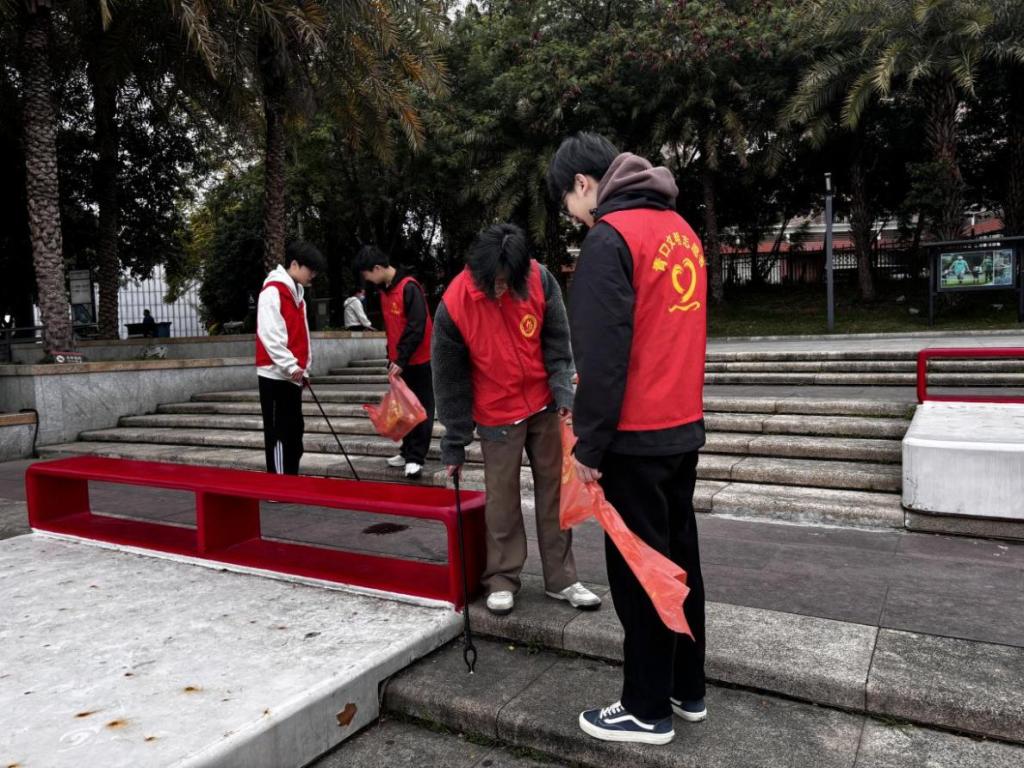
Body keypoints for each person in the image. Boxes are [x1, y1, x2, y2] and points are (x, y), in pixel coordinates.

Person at [547, 132, 708, 745]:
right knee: (679, 562)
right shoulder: (681, 232)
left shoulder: (610, 238)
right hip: (680, 427)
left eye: (569, 202)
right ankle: (686, 688)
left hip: (634, 437)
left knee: (641, 572)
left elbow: (602, 354)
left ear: (583, 183)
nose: (574, 215)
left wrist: (589, 446)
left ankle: (646, 707)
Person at [432, 223, 602, 617]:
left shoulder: (540, 280)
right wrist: (454, 442)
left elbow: (558, 342)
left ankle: (561, 579)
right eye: (494, 281)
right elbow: (450, 380)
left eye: (508, 281)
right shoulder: (455, 303)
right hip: (496, 414)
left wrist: (563, 392)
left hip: (544, 405)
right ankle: (503, 579)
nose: (501, 288)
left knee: (555, 496)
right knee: (502, 501)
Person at [353, 245, 435, 477]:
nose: (368, 281)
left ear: (378, 268)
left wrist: (402, 358)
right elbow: (393, 328)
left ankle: (416, 458)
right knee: (403, 408)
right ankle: (407, 451)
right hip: (399, 362)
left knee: (420, 408)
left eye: (368, 275)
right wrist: (391, 357)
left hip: (419, 360)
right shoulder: (385, 291)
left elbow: (416, 326)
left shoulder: (409, 287)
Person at [256, 240, 325, 475]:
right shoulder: (272, 291)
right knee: (279, 434)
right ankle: (278, 483)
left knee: (295, 433)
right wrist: (290, 365)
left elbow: (302, 334)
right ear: (294, 264)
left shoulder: (298, 296)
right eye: (310, 270)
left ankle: (291, 480)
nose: (312, 275)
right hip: (275, 375)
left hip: (293, 375)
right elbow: (270, 335)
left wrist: (304, 368)